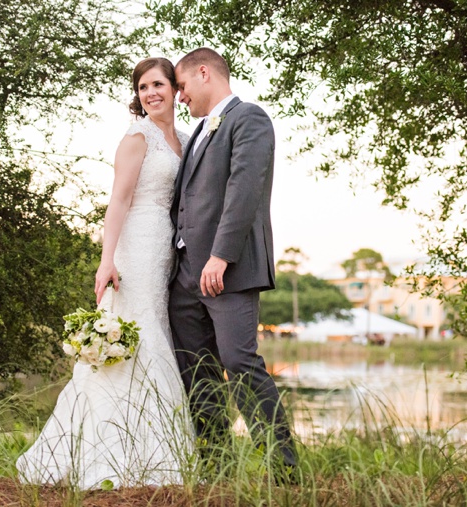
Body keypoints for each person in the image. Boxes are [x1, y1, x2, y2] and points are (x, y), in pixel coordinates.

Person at [17, 57, 193, 489]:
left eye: (157, 84)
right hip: (134, 247)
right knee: (136, 332)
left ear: (175, 88)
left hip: (164, 248)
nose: (149, 93)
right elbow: (118, 201)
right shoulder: (137, 138)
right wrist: (105, 259)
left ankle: (153, 446)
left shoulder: (186, 140)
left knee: (155, 330)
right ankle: (112, 453)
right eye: (141, 87)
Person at [168, 47, 299, 480]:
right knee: (197, 368)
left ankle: (283, 467)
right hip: (186, 272)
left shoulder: (249, 119)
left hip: (229, 268)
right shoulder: (198, 132)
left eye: (182, 85)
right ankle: (216, 465)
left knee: (239, 361)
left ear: (204, 73)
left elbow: (244, 189)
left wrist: (220, 256)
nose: (179, 96)